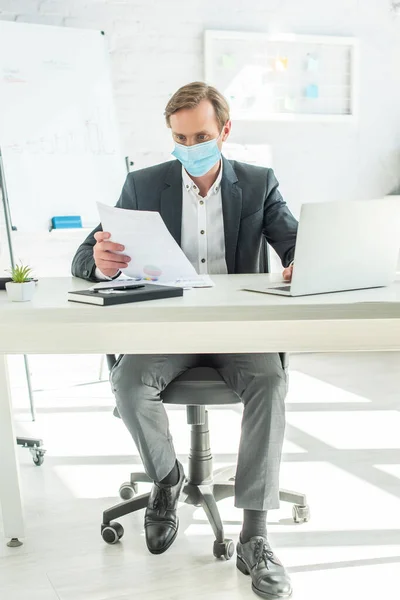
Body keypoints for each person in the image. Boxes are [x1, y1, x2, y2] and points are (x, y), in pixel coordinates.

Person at [72, 81, 297, 600]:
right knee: (129, 381)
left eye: (200, 135)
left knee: (270, 381)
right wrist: (100, 263)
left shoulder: (259, 183)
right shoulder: (142, 185)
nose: (190, 145)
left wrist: (300, 261)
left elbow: (294, 243)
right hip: (166, 325)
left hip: (236, 328)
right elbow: (83, 259)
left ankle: (255, 538)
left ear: (224, 130)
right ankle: (168, 480)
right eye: (179, 136)